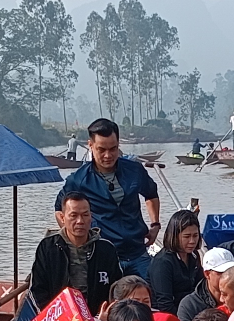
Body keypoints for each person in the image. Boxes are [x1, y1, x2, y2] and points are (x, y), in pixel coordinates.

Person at [54, 118, 160, 277]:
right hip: (103, 256)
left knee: (148, 298)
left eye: (113, 149)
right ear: (90, 145)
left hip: (138, 253)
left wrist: (155, 224)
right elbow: (59, 209)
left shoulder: (134, 170)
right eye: (101, 149)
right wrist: (76, 239)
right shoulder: (79, 180)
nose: (108, 155)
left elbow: (151, 193)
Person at [28, 190, 122, 312]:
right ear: (62, 218)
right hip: (58, 317)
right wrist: (53, 315)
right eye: (73, 215)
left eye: (85, 215)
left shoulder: (105, 249)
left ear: (91, 216)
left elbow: (117, 288)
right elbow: (37, 290)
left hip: (99, 317)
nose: (80, 221)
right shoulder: (48, 247)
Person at [148, 209, 205, 315]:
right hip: (167, 316)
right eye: (187, 237)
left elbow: (201, 289)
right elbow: (165, 304)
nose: (192, 241)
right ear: (175, 236)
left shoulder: (194, 256)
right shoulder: (162, 263)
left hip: (190, 311)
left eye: (195, 235)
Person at [178, 247, 234, 321]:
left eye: (231, 271)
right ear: (207, 274)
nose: (228, 276)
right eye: (221, 273)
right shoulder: (189, 305)